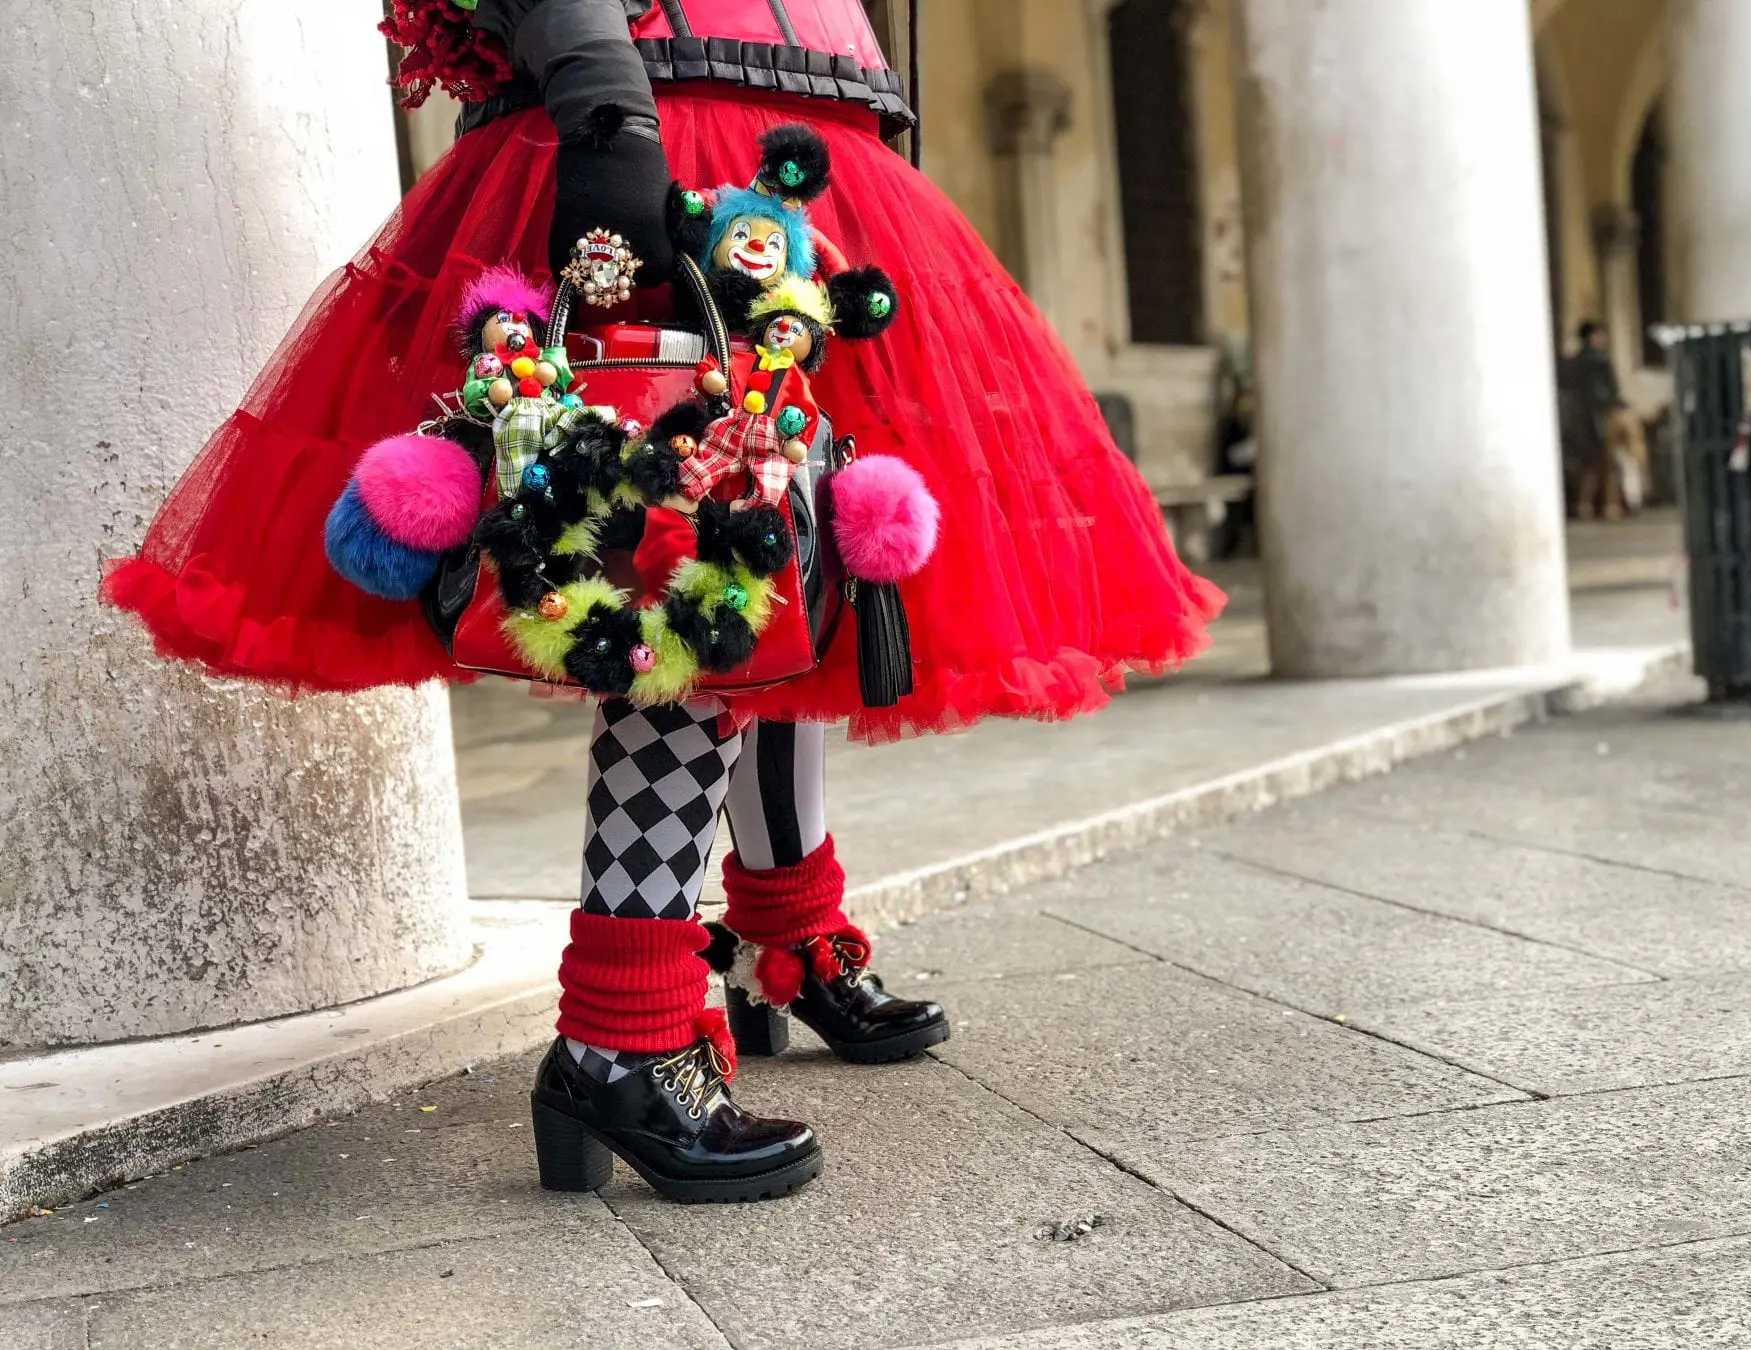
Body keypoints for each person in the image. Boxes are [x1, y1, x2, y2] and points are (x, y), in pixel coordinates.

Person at [103, 0, 1225, 1205]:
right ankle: (620, 1040)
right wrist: (602, 105)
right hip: (655, 125)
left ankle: (785, 937)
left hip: (808, 134)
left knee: (797, 553)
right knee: (689, 572)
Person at [1562, 320, 1628, 520]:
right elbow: (1607, 392)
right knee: (1606, 465)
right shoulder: (1599, 362)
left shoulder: (1574, 362)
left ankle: (1585, 506)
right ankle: (1609, 506)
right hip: (1598, 419)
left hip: (1581, 420)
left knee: (1589, 466)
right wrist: (1615, 404)